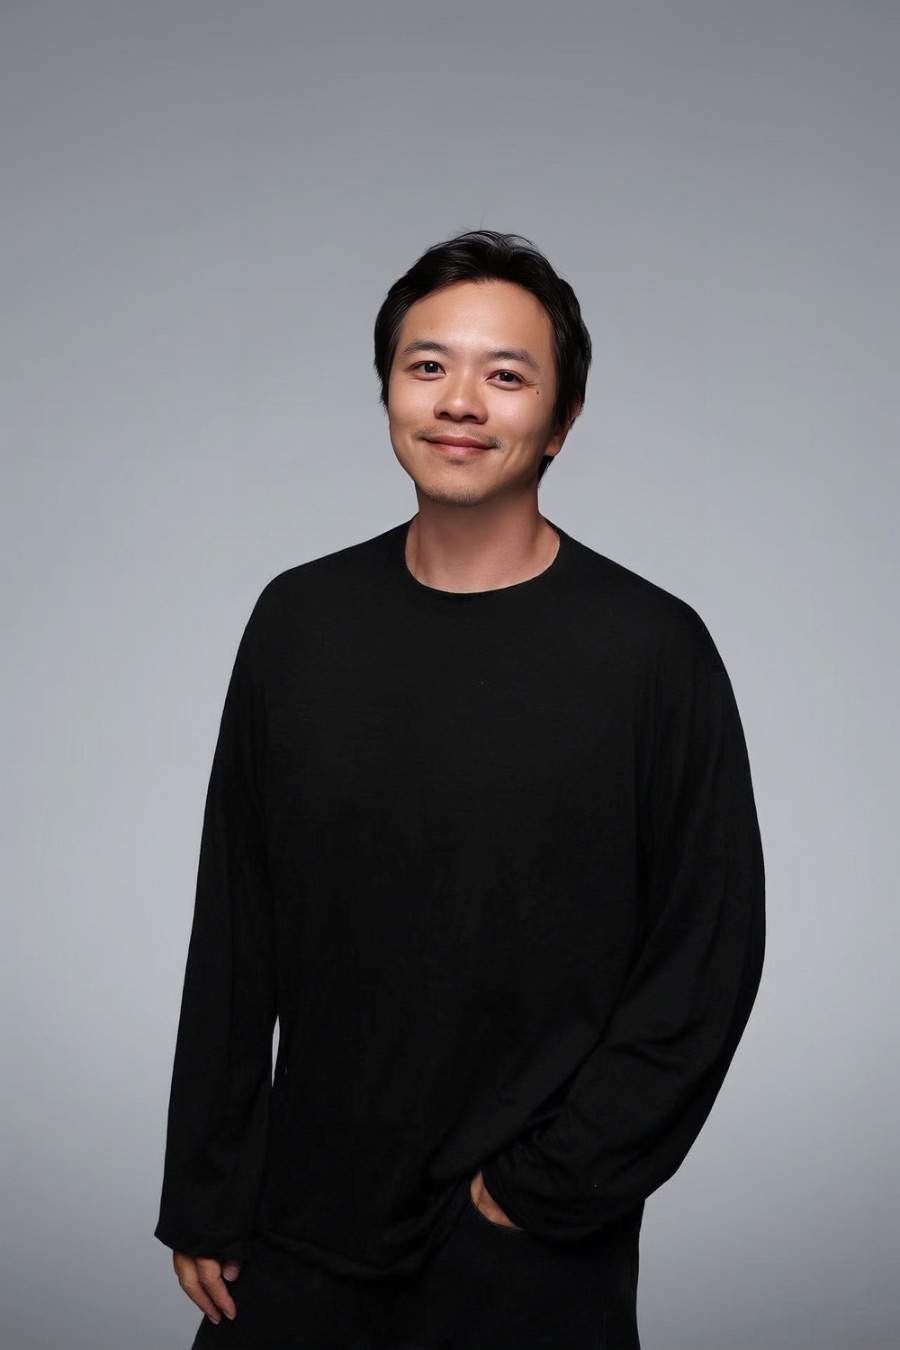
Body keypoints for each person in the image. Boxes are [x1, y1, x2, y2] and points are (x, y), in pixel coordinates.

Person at [155, 230, 765, 1350]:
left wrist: (552, 1185)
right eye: (427, 365)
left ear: (562, 420)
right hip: (299, 1222)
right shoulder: (298, 623)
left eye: (507, 374)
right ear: (388, 390)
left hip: (528, 1242)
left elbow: (706, 955)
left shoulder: (650, 652)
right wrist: (206, 1183)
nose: (459, 402)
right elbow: (237, 923)